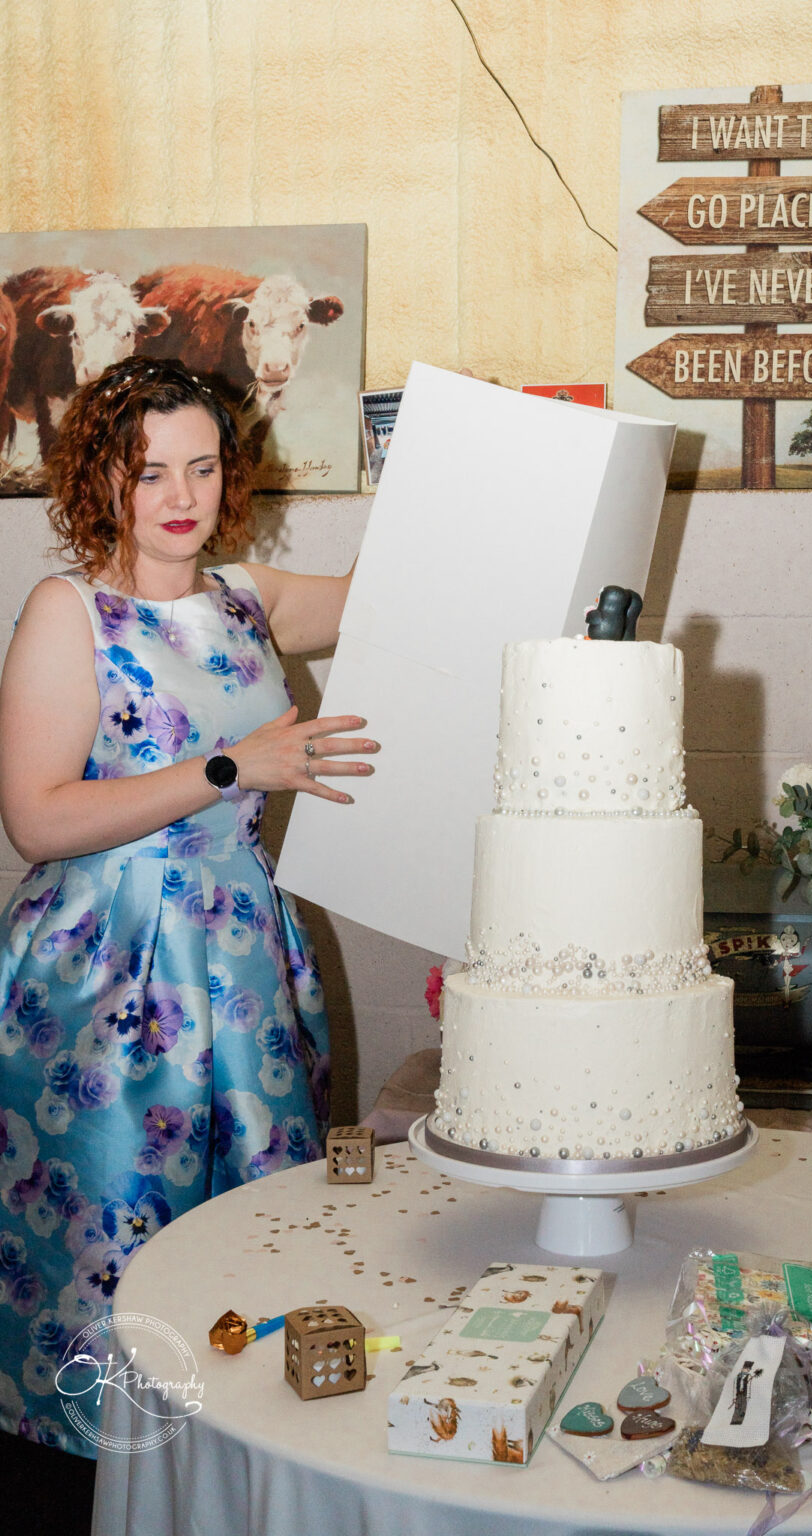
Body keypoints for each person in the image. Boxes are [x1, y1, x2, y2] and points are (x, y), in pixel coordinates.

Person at [0, 357, 375, 1495]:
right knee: (113, 1251)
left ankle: (230, 1478)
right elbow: (35, 818)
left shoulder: (244, 596)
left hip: (245, 961)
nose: (181, 494)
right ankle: (96, 1489)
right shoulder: (68, 609)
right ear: (97, 477)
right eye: (149, 469)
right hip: (107, 978)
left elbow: (392, 587)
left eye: (203, 466)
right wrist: (230, 765)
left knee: (250, 1230)